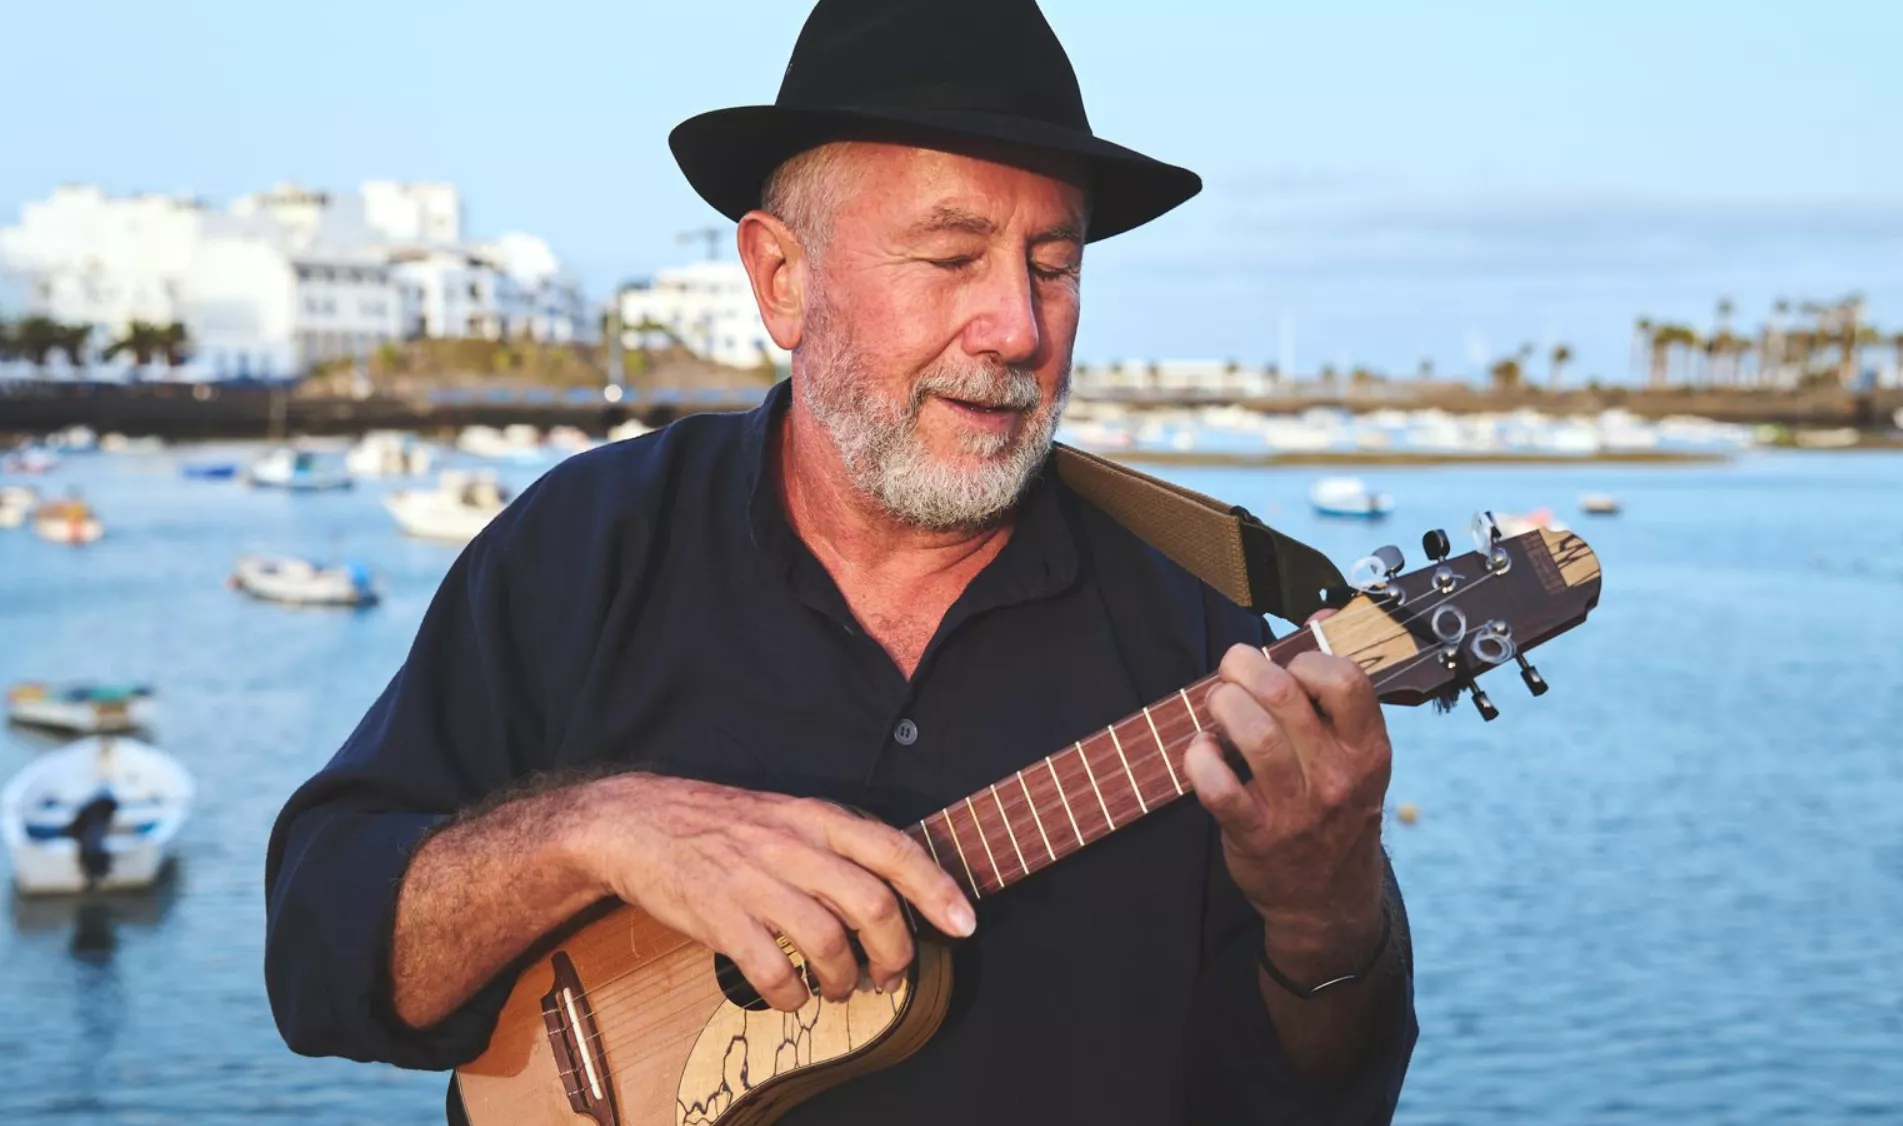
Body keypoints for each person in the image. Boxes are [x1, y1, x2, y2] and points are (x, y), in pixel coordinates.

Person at [264, 2, 1418, 1122]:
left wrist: (1325, 910)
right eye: (950, 254)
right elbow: (322, 954)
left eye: (1052, 267)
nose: (1016, 327)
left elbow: (1316, 1101)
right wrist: (592, 829)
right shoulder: (588, 545)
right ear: (781, 279)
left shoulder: (1206, 641)